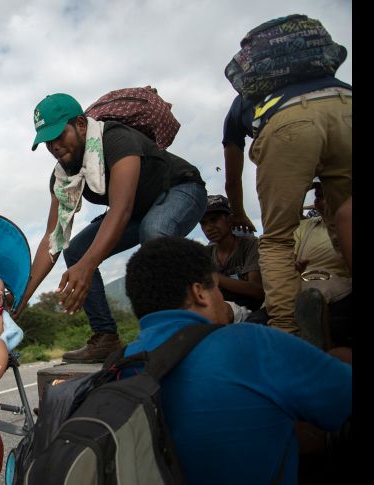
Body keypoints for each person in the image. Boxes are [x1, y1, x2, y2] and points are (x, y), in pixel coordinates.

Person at [122, 236, 352, 485]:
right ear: (200, 293)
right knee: (341, 360)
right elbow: (344, 400)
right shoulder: (249, 341)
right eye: (217, 288)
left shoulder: (119, 365)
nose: (221, 297)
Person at [14, 92, 207, 363]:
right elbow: (52, 238)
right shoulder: (62, 177)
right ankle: (106, 338)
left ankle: (179, 330)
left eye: (59, 135)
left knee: (153, 234)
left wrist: (89, 264)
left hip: (181, 189)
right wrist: (23, 296)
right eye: (47, 142)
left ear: (81, 125)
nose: (54, 147)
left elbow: (121, 209)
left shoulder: (116, 139)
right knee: (77, 250)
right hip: (138, 211)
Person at [221, 23, 352, 336]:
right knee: (345, 218)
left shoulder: (246, 99)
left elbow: (232, 175)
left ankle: (286, 331)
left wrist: (237, 211)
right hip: (346, 104)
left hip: (288, 122)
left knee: (278, 240)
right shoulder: (330, 79)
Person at [294, 180, 352, 349]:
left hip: (339, 287)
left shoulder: (346, 223)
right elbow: (288, 260)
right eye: (318, 196)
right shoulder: (304, 226)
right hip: (299, 284)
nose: (321, 201)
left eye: (327, 195)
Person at [199, 194, 265, 314]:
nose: (209, 227)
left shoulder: (250, 245)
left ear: (229, 220)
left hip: (252, 311)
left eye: (214, 220)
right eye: (203, 223)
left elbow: (257, 290)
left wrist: (215, 277)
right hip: (221, 310)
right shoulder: (205, 253)